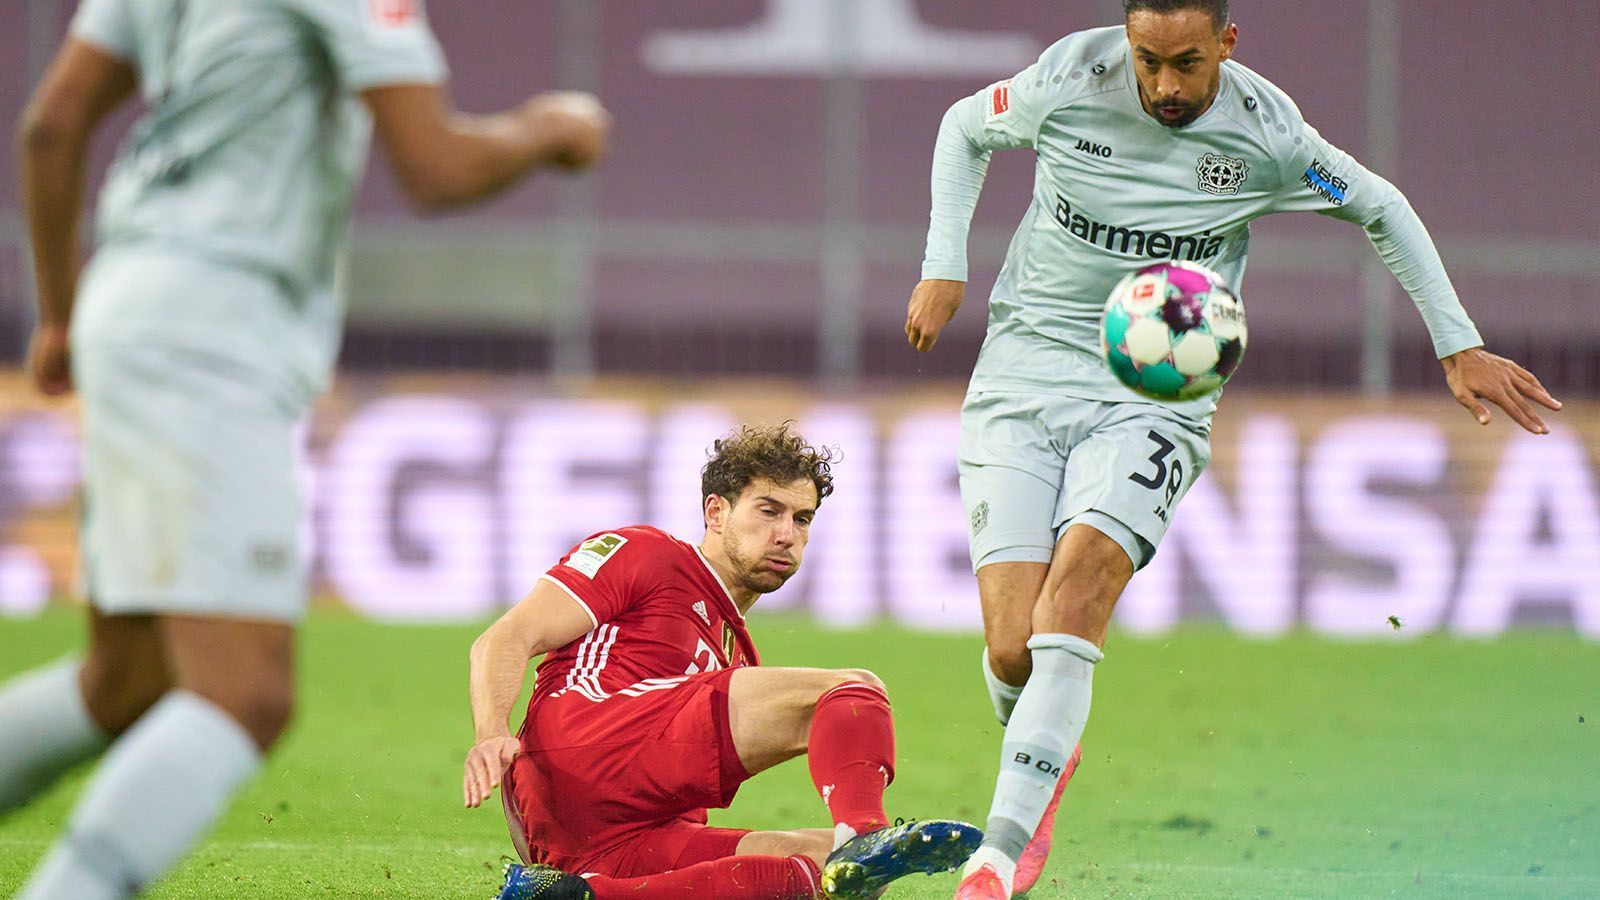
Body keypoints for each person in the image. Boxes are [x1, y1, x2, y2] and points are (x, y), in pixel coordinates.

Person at [903, 1, 1564, 897]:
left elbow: (1378, 205)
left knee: (1081, 593)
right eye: (1148, 62)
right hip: (1022, 374)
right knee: (1016, 650)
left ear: (1227, 42)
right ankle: (1047, 755)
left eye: (1186, 63)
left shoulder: (1269, 135)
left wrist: (1457, 341)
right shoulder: (1070, 77)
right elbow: (960, 128)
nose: (1165, 87)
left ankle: (999, 854)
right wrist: (946, 258)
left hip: (1154, 396)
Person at [0, 2, 610, 897]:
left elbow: (53, 125)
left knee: (123, 683)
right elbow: (435, 166)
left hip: (126, 303)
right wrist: (548, 132)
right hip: (216, 325)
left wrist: (58, 315)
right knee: (244, 695)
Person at [464, 423, 982, 900]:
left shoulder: (735, 652)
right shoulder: (647, 554)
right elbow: (505, 638)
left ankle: (575, 895)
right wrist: (491, 732)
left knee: (832, 872)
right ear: (716, 513)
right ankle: (866, 833)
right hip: (581, 747)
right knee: (850, 692)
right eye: (768, 510)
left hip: (586, 841)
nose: (787, 534)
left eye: (802, 519)